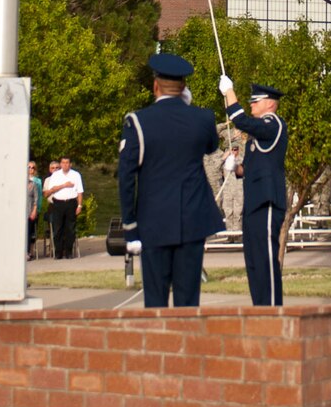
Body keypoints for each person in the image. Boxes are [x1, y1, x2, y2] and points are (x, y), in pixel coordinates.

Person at [116, 53, 223, 308]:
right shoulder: (203, 118)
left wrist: (130, 226)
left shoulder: (138, 122)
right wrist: (188, 110)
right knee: (188, 302)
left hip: (154, 222)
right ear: (184, 88)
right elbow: (211, 146)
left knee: (155, 301)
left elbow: (126, 178)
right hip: (193, 219)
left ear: (155, 86)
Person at [222, 79, 289, 306]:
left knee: (265, 259)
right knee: (253, 260)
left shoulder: (273, 124)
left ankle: (271, 310)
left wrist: (230, 92)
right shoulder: (258, 134)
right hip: (253, 202)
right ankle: (259, 308)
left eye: (255, 101)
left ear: (269, 104)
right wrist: (236, 168)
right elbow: (250, 169)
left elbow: (240, 120)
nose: (251, 105)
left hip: (267, 200)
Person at [43, 156, 84, 259]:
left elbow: (80, 191)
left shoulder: (75, 175)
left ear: (70, 164)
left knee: (70, 228)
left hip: (71, 202)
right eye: (63, 163)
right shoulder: (56, 175)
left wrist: (79, 205)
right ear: (61, 164)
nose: (65, 165)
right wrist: (64, 185)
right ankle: (58, 252)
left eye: (67, 163)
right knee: (58, 229)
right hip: (58, 203)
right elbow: (51, 190)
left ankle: (69, 252)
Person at [26, 161, 43, 259]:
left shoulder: (37, 181)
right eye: (29, 167)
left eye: (33, 168)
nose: (31, 169)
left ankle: (29, 251)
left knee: (31, 232)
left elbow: (38, 197)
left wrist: (37, 209)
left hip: (32, 209)